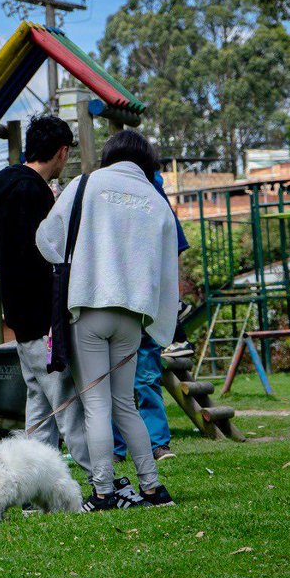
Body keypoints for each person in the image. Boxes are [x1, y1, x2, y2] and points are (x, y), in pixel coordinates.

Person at [36, 129, 179, 511]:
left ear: (109, 156)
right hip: (133, 315)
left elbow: (46, 238)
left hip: (89, 307)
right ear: (145, 163)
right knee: (124, 404)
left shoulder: (87, 184)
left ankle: (103, 493)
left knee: (96, 405)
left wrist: (77, 258)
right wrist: (162, 322)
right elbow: (168, 267)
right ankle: (152, 487)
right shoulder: (155, 198)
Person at [0, 115, 90, 471]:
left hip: (18, 313)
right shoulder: (32, 193)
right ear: (62, 152)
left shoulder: (6, 189)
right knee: (65, 399)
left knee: (39, 404)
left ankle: (33, 487)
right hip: (40, 315)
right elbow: (46, 256)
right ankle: (98, 477)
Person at [113, 166, 190, 465]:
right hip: (123, 299)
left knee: (143, 375)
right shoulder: (113, 196)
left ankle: (155, 443)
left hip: (142, 301)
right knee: (123, 377)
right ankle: (121, 448)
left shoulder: (152, 195)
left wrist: (172, 296)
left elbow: (175, 248)